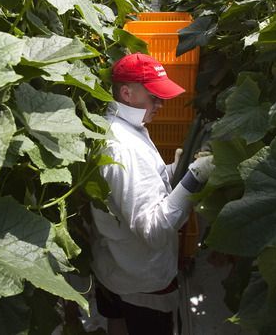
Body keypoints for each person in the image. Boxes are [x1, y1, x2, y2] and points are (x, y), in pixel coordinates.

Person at [90, 53, 215, 334]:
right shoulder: (125, 148)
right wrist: (194, 179)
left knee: (117, 324)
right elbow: (155, 229)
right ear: (127, 93)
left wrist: (175, 170)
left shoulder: (121, 127)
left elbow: (137, 189)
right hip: (141, 281)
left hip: (116, 267)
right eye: (154, 96)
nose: (161, 103)